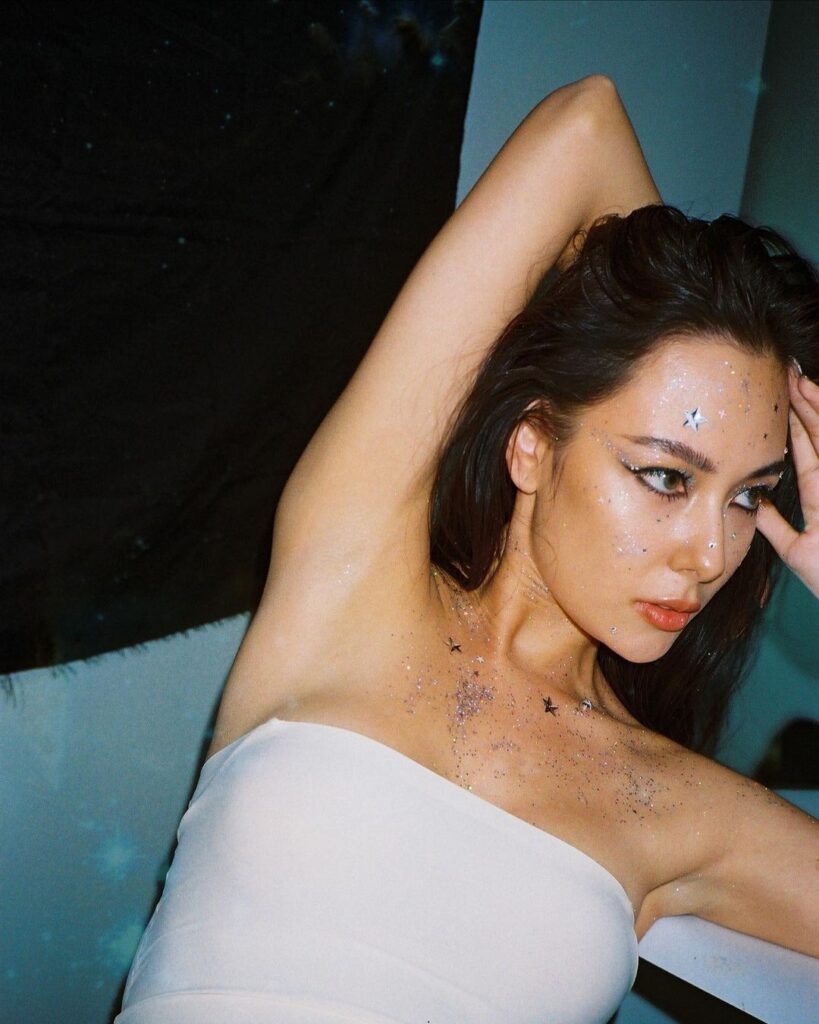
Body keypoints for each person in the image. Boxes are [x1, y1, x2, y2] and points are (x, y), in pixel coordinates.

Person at [117, 76, 819, 1024]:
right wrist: (663, 307)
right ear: (531, 443)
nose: (708, 555)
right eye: (663, 475)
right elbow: (585, 125)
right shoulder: (351, 592)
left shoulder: (675, 806)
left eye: (747, 496)